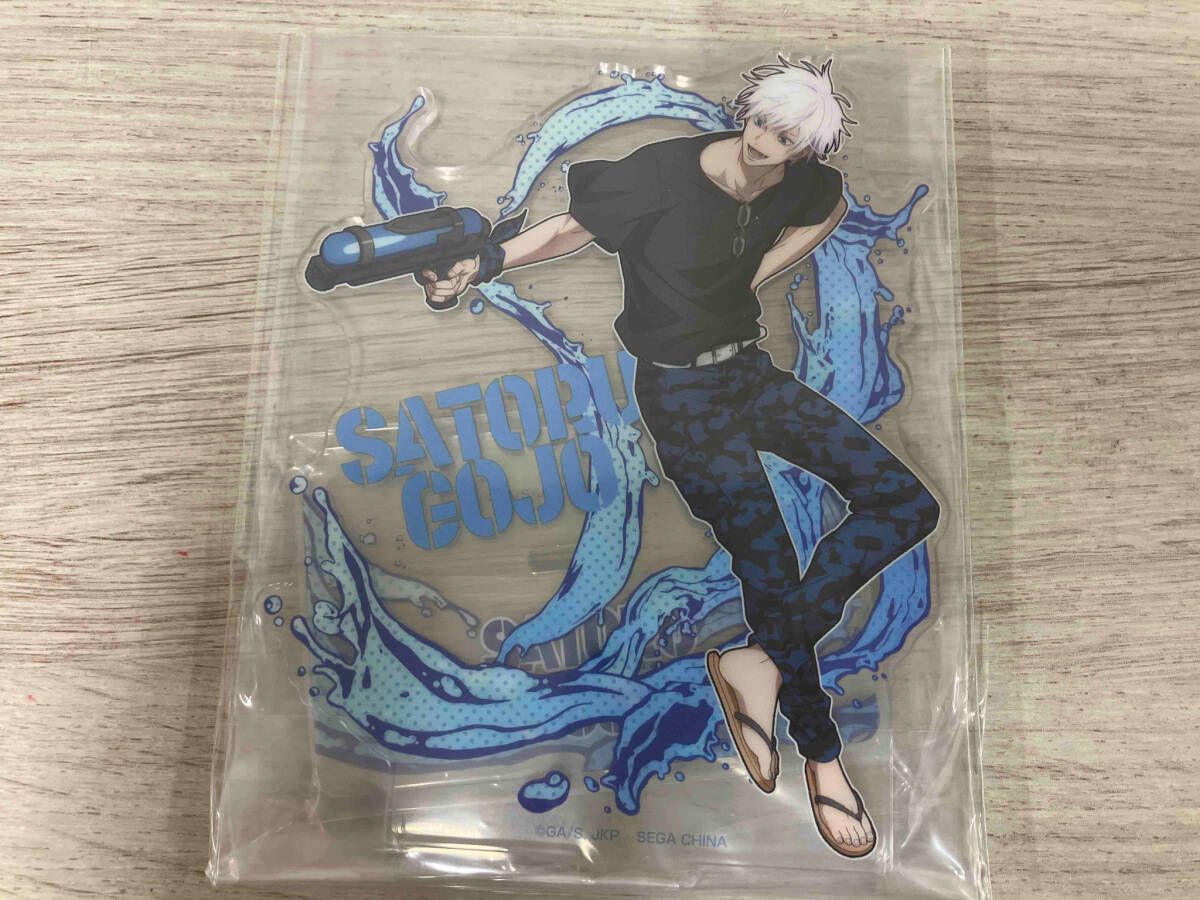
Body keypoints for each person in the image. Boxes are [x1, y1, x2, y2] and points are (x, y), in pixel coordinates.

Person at [418, 57, 940, 859]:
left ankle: (759, 660)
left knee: (907, 504)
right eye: (762, 121)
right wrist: (483, 263)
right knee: (770, 565)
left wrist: (760, 271)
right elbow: (570, 229)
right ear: (746, 111)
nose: (765, 141)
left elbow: (828, 206)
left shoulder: (803, 184)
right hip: (681, 398)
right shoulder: (663, 172)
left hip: (748, 376)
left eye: (788, 137)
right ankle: (824, 758)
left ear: (806, 147)